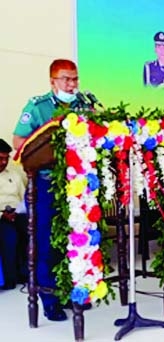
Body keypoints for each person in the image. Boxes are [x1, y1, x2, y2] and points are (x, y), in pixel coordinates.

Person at [13, 59, 94, 321]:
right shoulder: (37, 106)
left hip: (77, 186)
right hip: (46, 185)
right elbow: (19, 142)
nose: (71, 84)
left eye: (75, 79)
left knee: (76, 241)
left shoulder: (85, 104)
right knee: (46, 244)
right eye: (66, 79)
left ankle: (73, 292)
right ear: (52, 81)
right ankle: (49, 298)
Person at [0, 139, 28, 290]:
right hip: (1, 217)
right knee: (10, 237)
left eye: (6, 158)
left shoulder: (14, 175)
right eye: (0, 158)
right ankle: (11, 279)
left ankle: (28, 274)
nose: (4, 162)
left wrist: (19, 212)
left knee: (33, 231)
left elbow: (24, 198)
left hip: (17, 213)